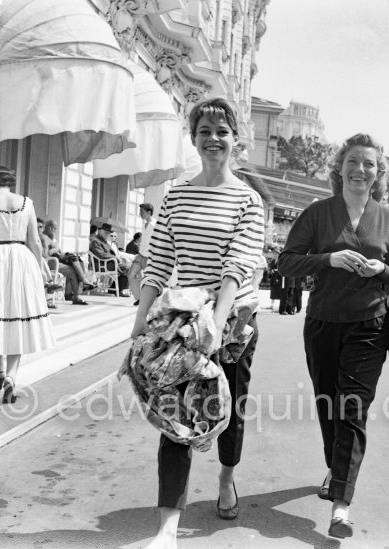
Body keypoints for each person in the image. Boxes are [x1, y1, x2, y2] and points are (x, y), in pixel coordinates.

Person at [130, 97, 264, 549]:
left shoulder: (248, 200)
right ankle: (168, 525)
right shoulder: (177, 195)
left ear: (236, 141)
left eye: (222, 132)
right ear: (195, 138)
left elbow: (236, 269)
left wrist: (215, 329)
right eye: (205, 131)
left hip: (232, 323)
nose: (213, 139)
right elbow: (158, 263)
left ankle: (226, 479)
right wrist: (140, 325)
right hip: (182, 322)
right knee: (174, 416)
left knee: (230, 409)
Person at [278, 133, 389, 540]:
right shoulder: (317, 213)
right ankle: (337, 470)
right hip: (322, 324)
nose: (360, 170)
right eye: (353, 161)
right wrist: (328, 259)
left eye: (369, 164)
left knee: (352, 409)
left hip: (370, 327)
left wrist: (381, 271)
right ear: (340, 168)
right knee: (327, 405)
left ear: (378, 173)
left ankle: (341, 505)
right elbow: (286, 264)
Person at [0, 166, 55, 403]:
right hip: (22, 259)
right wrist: (39, 269)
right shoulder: (26, 202)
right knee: (18, 316)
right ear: (11, 183)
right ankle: (11, 375)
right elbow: (35, 241)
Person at [43, 220, 91, 305]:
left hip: (56, 260)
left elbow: (58, 251)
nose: (55, 231)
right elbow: (47, 254)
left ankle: (76, 290)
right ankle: (76, 294)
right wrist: (56, 248)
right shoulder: (44, 237)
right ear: (49, 228)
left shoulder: (51, 238)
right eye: (54, 228)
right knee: (71, 270)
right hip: (50, 262)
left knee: (78, 263)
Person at [89, 223, 130, 296]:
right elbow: (101, 255)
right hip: (101, 264)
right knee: (126, 268)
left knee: (128, 268)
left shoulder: (104, 241)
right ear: (100, 231)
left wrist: (117, 257)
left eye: (108, 233)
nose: (107, 234)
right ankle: (118, 290)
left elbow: (110, 253)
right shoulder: (96, 241)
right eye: (106, 232)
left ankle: (117, 289)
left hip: (109, 263)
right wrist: (115, 257)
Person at [128, 203, 155, 306]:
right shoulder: (144, 224)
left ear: (149, 212)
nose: (140, 214)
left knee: (149, 280)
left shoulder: (155, 225)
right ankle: (139, 298)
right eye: (140, 212)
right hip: (141, 254)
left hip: (150, 256)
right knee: (131, 275)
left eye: (142, 212)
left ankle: (148, 300)